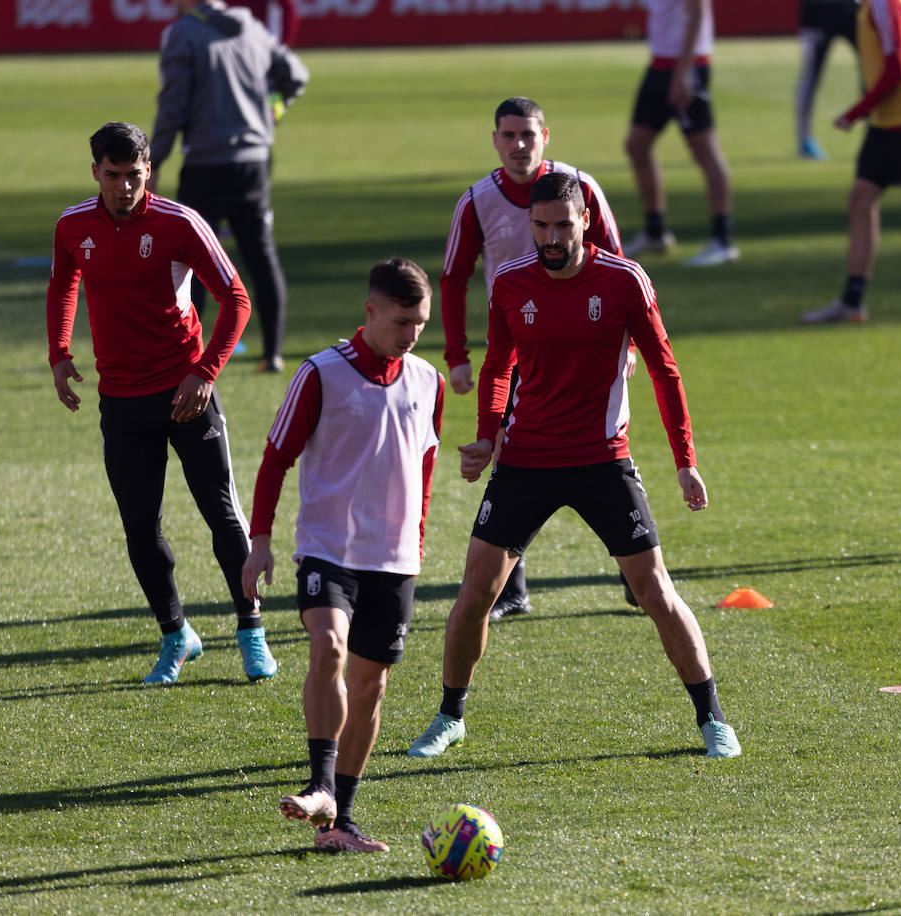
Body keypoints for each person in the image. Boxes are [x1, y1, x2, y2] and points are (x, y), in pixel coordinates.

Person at [408, 171, 742, 761]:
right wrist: (488, 437)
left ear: (585, 219)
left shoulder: (624, 281)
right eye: (541, 226)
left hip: (602, 461)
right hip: (527, 460)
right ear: (529, 225)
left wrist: (685, 462)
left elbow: (665, 372)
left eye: (564, 224)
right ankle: (449, 716)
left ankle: (712, 718)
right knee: (475, 593)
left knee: (654, 592)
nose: (552, 237)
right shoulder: (511, 282)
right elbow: (498, 369)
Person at [46, 121, 278, 685]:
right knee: (139, 528)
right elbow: (63, 285)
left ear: (149, 171)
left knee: (221, 515)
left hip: (185, 393)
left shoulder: (180, 224)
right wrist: (58, 352)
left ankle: (251, 631)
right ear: (95, 172)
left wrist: (204, 372)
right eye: (112, 175)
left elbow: (236, 298)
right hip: (121, 401)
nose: (123, 187)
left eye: (133, 175)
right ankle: (176, 635)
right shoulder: (74, 225)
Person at [243, 259, 445, 853]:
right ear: (371, 311)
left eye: (422, 323)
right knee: (328, 646)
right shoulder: (320, 375)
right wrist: (260, 541)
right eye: (403, 321)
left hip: (395, 558)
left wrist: (420, 539)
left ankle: (339, 823)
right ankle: (320, 785)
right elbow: (276, 457)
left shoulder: (428, 381)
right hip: (328, 550)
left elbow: (425, 465)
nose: (412, 334)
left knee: (371, 686)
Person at [441, 95, 629, 621]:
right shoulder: (476, 200)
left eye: (528, 134)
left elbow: (619, 261)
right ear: (495, 140)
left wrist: (628, 343)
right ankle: (512, 587)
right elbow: (454, 278)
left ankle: (634, 570)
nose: (518, 144)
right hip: (519, 342)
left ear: (546, 136)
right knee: (507, 451)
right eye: (508, 135)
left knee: (609, 453)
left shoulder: (579, 187)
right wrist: (457, 354)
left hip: (589, 338)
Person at [149, 0, 309, 374]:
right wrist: (274, 108)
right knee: (261, 256)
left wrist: (155, 158)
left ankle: (191, 354)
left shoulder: (182, 34)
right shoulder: (250, 27)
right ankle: (272, 354)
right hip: (254, 162)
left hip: (206, 164)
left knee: (194, 261)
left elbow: (172, 105)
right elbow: (297, 75)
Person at [801, 0, 901, 324]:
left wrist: (857, 111)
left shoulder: (884, 4)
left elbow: (898, 68)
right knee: (861, 199)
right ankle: (852, 302)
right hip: (889, 119)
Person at [622, 0, 738, 268]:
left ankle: (723, 240)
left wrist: (683, 70)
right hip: (661, 64)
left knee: (704, 148)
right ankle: (655, 232)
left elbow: (698, 12)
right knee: (637, 144)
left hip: (685, 66)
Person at [795, 0, 859, 161]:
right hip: (817, 10)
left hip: (850, 7)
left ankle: (878, 132)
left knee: (872, 69)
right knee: (811, 75)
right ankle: (804, 140)